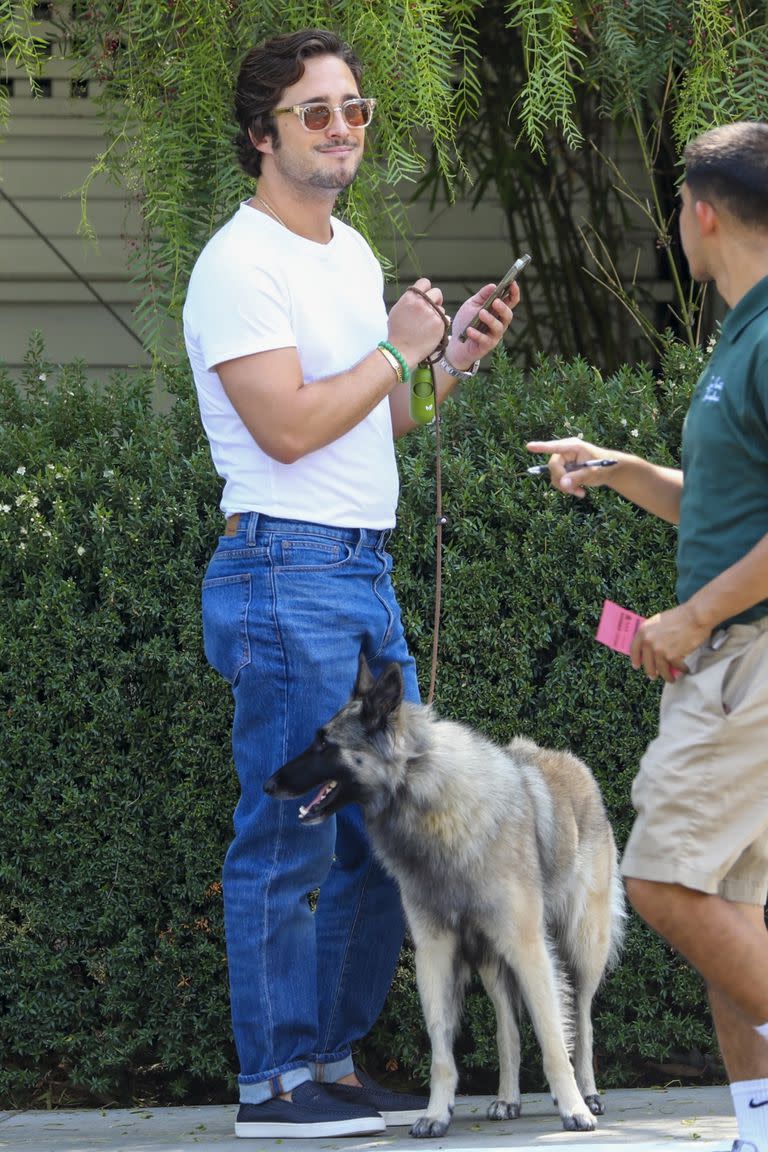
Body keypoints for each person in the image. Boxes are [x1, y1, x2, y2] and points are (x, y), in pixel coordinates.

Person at [182, 27, 518, 1140]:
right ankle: (271, 1088)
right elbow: (282, 431)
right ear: (260, 135)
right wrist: (394, 348)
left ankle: (327, 1065)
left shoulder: (350, 252)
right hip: (287, 565)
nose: (342, 129)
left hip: (358, 568)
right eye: (316, 112)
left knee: (392, 831)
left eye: (356, 111)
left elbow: (390, 413)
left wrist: (448, 355)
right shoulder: (240, 263)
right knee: (285, 837)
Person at [527, 121, 768, 1152]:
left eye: (677, 205)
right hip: (735, 660)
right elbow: (728, 511)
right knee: (732, 927)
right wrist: (622, 467)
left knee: (663, 882)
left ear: (702, 213)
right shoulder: (740, 337)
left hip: (748, 664)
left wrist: (697, 615)